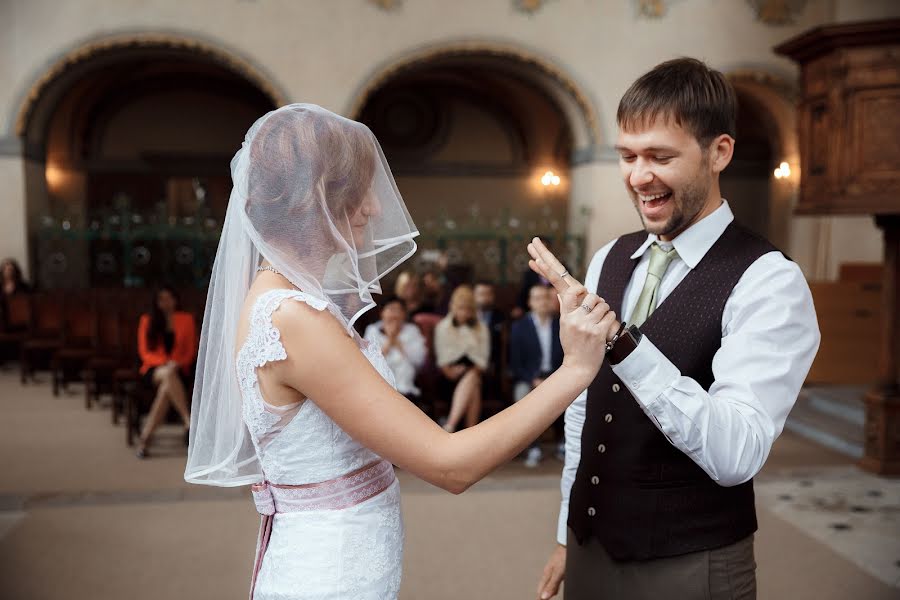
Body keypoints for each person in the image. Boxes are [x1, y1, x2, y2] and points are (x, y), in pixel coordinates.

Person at [183, 104, 618, 600]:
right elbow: (450, 465)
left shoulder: (280, 299)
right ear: (319, 198)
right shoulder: (293, 319)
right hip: (329, 574)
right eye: (359, 191)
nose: (372, 207)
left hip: (336, 557)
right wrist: (575, 369)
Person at [534, 58, 820, 600]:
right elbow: (584, 408)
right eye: (627, 157)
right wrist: (566, 534)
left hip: (691, 562)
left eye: (660, 157)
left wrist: (625, 344)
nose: (639, 177)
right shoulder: (608, 260)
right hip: (591, 543)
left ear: (719, 153)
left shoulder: (769, 281)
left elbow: (738, 454)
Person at [136, 285, 197, 459]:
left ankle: (145, 439)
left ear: (175, 300)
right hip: (154, 370)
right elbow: (144, 353)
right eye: (162, 299)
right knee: (167, 375)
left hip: (179, 369)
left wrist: (177, 363)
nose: (166, 302)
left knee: (166, 390)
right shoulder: (147, 320)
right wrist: (166, 363)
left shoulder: (186, 319)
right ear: (156, 302)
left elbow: (190, 351)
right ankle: (188, 420)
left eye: (169, 298)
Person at [509, 284, 564, 468]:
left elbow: (568, 357)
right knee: (522, 396)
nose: (543, 302)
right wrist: (533, 380)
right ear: (530, 302)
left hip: (557, 375)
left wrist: (553, 380)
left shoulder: (561, 324)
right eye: (538, 298)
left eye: (546, 297)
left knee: (573, 393)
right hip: (529, 378)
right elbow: (515, 364)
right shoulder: (519, 327)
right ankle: (533, 447)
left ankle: (563, 442)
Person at [433, 285, 490, 432]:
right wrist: (452, 372)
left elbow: (482, 362)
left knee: (473, 378)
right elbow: (443, 362)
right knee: (474, 383)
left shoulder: (481, 328)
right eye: (460, 308)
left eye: (468, 309)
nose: (464, 313)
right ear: (453, 307)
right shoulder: (442, 327)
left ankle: (450, 425)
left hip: (475, 372)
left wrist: (470, 370)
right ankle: (471, 432)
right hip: (448, 378)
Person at [363, 297, 427, 401]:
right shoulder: (372, 330)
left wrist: (398, 343)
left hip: (407, 388)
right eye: (391, 309)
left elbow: (419, 360)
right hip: (379, 386)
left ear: (404, 314)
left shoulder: (412, 331)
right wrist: (389, 340)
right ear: (382, 313)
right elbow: (368, 361)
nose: (395, 314)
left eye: (399, 310)